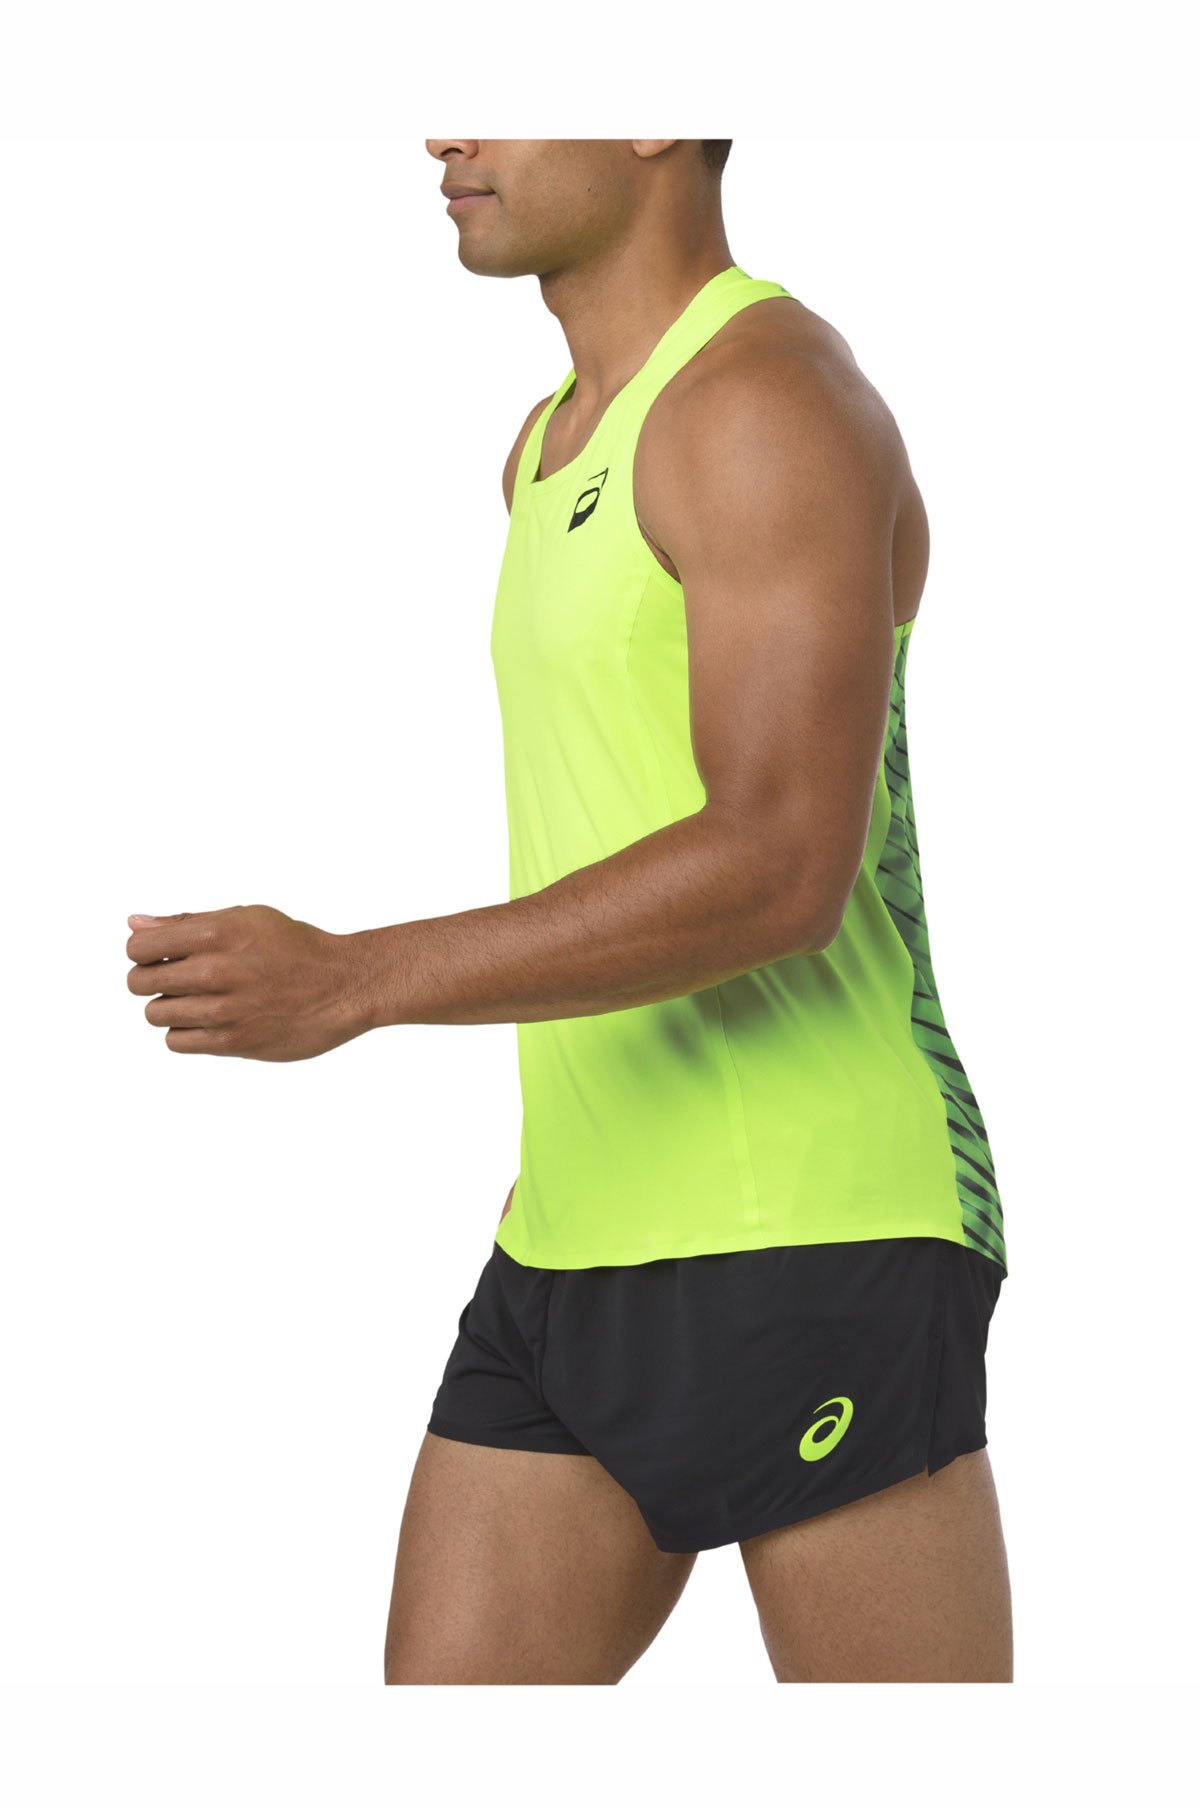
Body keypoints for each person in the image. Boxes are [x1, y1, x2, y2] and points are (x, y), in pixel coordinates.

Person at [126, 138, 1012, 1684]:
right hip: (572, 1234)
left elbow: (783, 865)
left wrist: (356, 979)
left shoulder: (762, 402)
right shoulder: (547, 445)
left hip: (817, 1226)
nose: (448, 133)